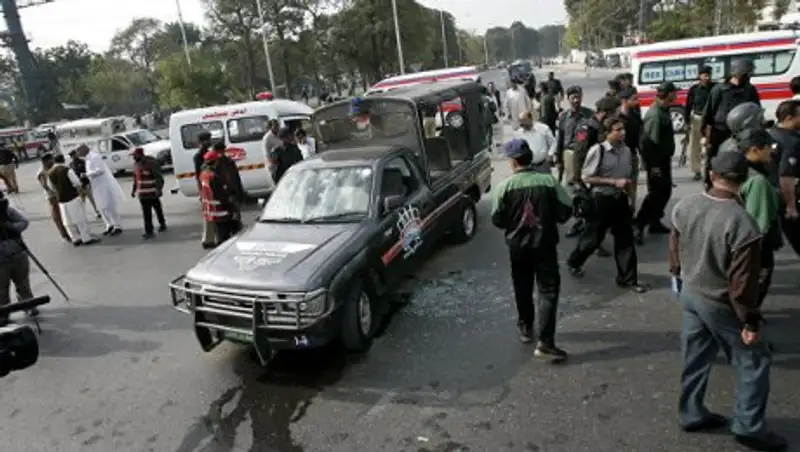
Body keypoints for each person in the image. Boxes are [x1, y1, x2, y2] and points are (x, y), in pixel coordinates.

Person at [670, 151, 787, 452]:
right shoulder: (744, 223)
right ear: (744, 180)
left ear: (711, 175)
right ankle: (748, 426)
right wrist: (749, 319)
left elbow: (675, 247)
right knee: (754, 359)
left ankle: (691, 413)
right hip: (720, 301)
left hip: (692, 293)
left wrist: (678, 275)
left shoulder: (685, 204)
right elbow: (742, 284)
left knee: (695, 356)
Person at [490, 138, 572, 360]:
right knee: (548, 291)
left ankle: (526, 327)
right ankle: (546, 342)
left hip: (518, 247)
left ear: (513, 162)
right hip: (544, 244)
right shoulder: (548, 182)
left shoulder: (505, 186)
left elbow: (497, 218)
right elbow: (566, 209)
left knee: (522, 285)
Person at [566, 117, 647, 293]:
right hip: (600, 200)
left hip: (620, 200)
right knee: (593, 239)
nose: (622, 133)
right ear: (608, 133)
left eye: (623, 129)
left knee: (625, 239)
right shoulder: (598, 150)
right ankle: (574, 261)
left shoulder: (626, 151)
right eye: (618, 130)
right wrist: (612, 181)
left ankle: (627, 278)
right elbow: (586, 177)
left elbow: (630, 179)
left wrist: (632, 200)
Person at [736, 130, 782, 311]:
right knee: (758, 280)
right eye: (768, 148)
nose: (772, 151)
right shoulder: (758, 181)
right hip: (756, 244)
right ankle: (748, 322)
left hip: (738, 240)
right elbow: (759, 223)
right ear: (755, 150)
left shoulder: (738, 166)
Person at [702, 59, 760, 187]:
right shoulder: (719, 90)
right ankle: (711, 185)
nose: (748, 77)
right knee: (715, 161)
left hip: (743, 133)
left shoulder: (750, 90)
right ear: (737, 73)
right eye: (746, 74)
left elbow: (756, 110)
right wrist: (706, 136)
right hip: (720, 132)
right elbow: (708, 114)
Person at [635, 82, 677, 243]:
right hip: (657, 162)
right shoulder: (655, 114)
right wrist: (653, 167)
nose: (676, 95)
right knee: (656, 194)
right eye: (674, 92)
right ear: (668, 94)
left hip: (663, 160)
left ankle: (654, 221)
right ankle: (639, 224)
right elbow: (649, 144)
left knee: (664, 192)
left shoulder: (663, 110)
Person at [48, 154, 99, 246]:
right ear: (63, 160)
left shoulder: (50, 172)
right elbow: (77, 183)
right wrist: (80, 193)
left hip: (61, 200)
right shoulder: (66, 170)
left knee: (67, 221)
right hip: (72, 197)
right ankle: (86, 237)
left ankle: (75, 238)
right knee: (80, 218)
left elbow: (51, 187)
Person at [0, 192, 36, 325]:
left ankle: (28, 305)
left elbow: (24, 222)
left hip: (17, 253)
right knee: (1, 289)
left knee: (23, 283)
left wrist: (12, 227)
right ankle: (3, 313)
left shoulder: (7, 211)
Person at [772, 100, 800, 257]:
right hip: (792, 197)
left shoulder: (771, 134)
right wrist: (791, 205)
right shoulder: (790, 143)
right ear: (789, 118)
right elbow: (786, 176)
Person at [78, 144, 125, 236]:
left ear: (84, 150)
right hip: (96, 186)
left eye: (79, 151)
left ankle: (117, 225)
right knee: (101, 207)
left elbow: (100, 170)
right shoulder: (87, 159)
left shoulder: (95, 157)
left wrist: (87, 174)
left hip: (103, 184)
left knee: (109, 205)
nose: (78, 153)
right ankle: (109, 224)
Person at [555, 86, 593, 186]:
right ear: (568, 99)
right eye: (573, 98)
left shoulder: (589, 114)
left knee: (585, 182)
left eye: (579, 97)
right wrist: (559, 159)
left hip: (586, 154)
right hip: (569, 153)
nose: (576, 100)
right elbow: (560, 138)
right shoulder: (563, 116)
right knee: (571, 182)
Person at [199, 151, 238, 245]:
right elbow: (222, 195)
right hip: (221, 210)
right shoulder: (214, 177)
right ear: (215, 161)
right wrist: (232, 209)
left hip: (211, 210)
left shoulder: (203, 174)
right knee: (224, 236)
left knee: (220, 232)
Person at [684, 66, 716, 181]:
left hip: (711, 121)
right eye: (704, 74)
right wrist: (687, 122)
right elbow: (688, 106)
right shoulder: (694, 89)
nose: (707, 77)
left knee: (711, 145)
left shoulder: (715, 87)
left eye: (709, 74)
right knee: (695, 146)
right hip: (697, 119)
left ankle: (712, 169)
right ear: (700, 76)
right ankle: (696, 170)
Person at [130, 148, 166, 239]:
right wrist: (133, 190)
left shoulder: (151, 163)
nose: (133, 157)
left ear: (140, 154)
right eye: (133, 156)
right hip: (142, 194)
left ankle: (162, 224)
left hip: (152, 192)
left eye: (135, 155)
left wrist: (158, 189)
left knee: (157, 209)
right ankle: (149, 231)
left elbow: (159, 177)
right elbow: (136, 179)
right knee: (146, 213)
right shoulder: (136, 165)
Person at [618, 87, 643, 210]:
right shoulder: (617, 119)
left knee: (632, 186)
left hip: (632, 155)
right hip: (619, 157)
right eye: (634, 99)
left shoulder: (635, 115)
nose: (637, 101)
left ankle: (631, 210)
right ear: (625, 101)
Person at [37, 153, 71, 243]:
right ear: (46, 161)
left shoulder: (50, 169)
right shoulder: (42, 172)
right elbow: (44, 185)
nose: (53, 161)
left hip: (57, 194)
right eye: (51, 159)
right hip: (52, 196)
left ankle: (69, 231)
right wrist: (54, 192)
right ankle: (64, 234)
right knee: (58, 215)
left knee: (64, 214)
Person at [192, 132, 216, 249]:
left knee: (213, 213)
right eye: (208, 140)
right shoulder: (199, 156)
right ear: (202, 142)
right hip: (206, 187)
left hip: (210, 187)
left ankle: (212, 238)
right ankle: (207, 239)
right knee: (208, 213)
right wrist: (201, 191)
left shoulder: (209, 152)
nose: (210, 141)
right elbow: (198, 175)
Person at [68, 148, 101, 219]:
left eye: (74, 154)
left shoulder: (83, 161)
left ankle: (97, 211)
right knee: (82, 201)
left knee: (92, 199)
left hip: (86, 183)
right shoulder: (71, 165)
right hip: (78, 185)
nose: (73, 156)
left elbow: (88, 170)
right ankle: (83, 214)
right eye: (72, 155)